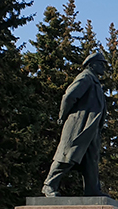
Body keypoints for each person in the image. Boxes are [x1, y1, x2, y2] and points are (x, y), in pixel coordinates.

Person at [42, 51, 109, 197]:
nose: (104, 67)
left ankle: (92, 190)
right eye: (102, 64)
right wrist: (63, 115)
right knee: (67, 155)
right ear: (92, 64)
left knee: (91, 160)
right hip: (78, 126)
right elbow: (69, 96)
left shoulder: (95, 81)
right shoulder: (86, 77)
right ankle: (49, 185)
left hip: (91, 129)